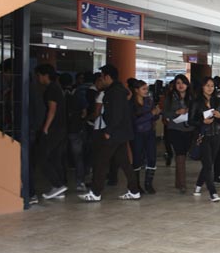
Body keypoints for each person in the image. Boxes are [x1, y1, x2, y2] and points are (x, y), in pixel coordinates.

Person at [79, 64, 140, 201]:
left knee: (101, 161)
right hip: (120, 133)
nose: (101, 79)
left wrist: (109, 131)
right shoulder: (118, 90)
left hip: (114, 133)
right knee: (124, 162)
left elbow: (116, 115)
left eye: (102, 76)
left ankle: (95, 192)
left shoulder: (114, 92)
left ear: (107, 77)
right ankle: (134, 190)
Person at [188, 77, 220, 201]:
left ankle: (199, 185)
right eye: (207, 85)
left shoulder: (218, 100)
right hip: (203, 136)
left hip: (216, 135)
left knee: (209, 163)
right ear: (202, 87)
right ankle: (213, 193)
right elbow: (190, 121)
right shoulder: (196, 102)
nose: (210, 88)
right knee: (208, 165)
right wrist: (202, 121)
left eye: (212, 85)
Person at [34, 64, 68, 200]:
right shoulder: (57, 88)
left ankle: (58, 184)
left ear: (44, 75)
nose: (38, 78)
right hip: (61, 128)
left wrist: (46, 128)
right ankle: (59, 189)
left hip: (54, 129)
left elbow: (52, 110)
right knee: (55, 158)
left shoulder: (51, 89)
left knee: (41, 157)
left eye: (38, 75)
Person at [163, 75, 195, 194]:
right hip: (175, 129)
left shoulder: (192, 97)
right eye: (178, 83)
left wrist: (189, 111)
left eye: (183, 83)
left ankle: (178, 182)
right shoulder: (170, 97)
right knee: (180, 154)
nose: (181, 85)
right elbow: (165, 113)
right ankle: (182, 184)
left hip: (189, 129)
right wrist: (176, 112)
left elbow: (197, 111)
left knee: (183, 154)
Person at [130, 79, 161, 194]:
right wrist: (151, 114)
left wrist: (156, 114)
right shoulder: (132, 104)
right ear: (136, 90)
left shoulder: (149, 101)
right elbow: (135, 121)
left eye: (147, 89)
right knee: (137, 158)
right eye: (143, 89)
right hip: (137, 134)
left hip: (149, 133)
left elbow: (153, 117)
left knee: (152, 157)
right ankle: (136, 184)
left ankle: (148, 184)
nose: (146, 91)